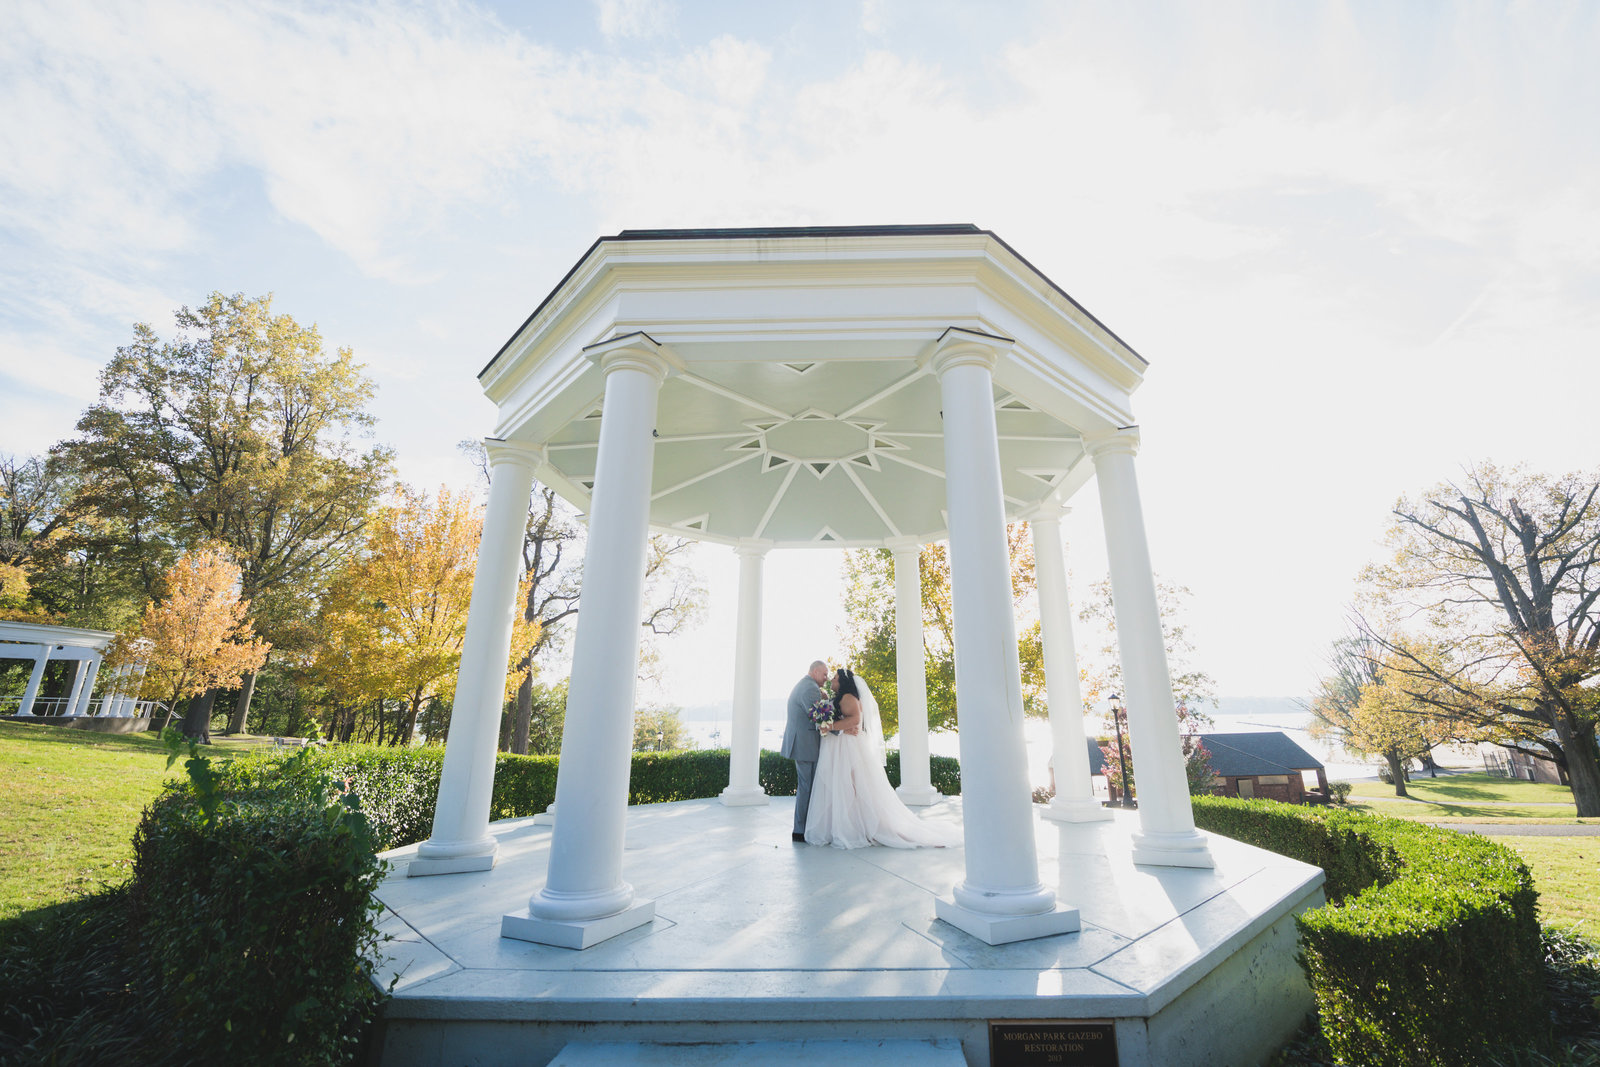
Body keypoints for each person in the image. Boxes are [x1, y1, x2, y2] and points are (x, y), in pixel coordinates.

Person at [805, 668, 957, 850]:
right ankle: (846, 825)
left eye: (835, 679)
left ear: (843, 682)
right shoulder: (841, 698)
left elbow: (855, 720)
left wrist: (831, 727)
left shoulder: (848, 698)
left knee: (851, 786)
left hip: (848, 748)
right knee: (843, 787)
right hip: (840, 746)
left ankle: (858, 828)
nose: (832, 681)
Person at [780, 659, 830, 842]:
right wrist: (843, 727)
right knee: (806, 787)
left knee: (806, 786)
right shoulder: (810, 688)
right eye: (824, 674)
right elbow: (820, 718)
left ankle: (804, 827)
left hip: (803, 744)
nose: (826, 678)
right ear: (815, 672)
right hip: (805, 745)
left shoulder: (806, 685)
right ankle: (800, 831)